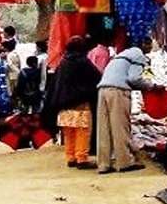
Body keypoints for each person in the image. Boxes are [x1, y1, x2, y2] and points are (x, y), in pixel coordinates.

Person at [96, 36, 160, 174]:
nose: (150, 49)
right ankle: (124, 162)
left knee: (104, 128)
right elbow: (134, 78)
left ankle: (104, 164)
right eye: (150, 46)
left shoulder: (121, 55)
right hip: (118, 92)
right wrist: (152, 86)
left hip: (103, 90)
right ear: (144, 44)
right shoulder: (138, 55)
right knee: (120, 126)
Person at [47, 37, 101, 169]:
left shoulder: (63, 62)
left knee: (68, 131)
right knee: (82, 131)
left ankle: (70, 157)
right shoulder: (83, 62)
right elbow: (96, 78)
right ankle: (81, 158)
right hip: (80, 102)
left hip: (63, 103)